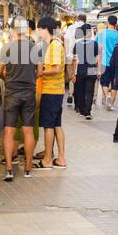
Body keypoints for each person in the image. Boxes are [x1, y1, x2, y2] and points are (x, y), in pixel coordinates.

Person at [0, 19, 38, 180]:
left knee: (9, 131)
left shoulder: (7, 48)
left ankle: (9, 169)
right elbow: (39, 71)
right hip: (29, 92)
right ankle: (27, 168)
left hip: (12, 92)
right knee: (28, 130)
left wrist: (9, 74)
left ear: (13, 31)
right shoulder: (35, 48)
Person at [35, 17, 66, 169]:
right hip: (56, 91)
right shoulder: (55, 44)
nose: (38, 32)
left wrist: (40, 73)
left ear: (44, 28)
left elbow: (56, 69)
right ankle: (60, 159)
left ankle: (47, 160)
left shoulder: (54, 45)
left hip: (51, 91)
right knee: (56, 125)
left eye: (39, 29)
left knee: (48, 126)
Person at [72, 23, 99, 119]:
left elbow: (75, 60)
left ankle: (82, 111)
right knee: (90, 91)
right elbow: (97, 59)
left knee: (81, 90)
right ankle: (88, 112)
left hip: (81, 69)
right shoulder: (94, 44)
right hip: (91, 69)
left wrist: (73, 73)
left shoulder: (77, 44)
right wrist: (98, 70)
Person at [98, 16, 118, 111]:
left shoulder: (102, 33)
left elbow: (99, 48)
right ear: (116, 23)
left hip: (104, 61)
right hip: (116, 62)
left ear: (108, 22)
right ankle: (111, 104)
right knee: (114, 83)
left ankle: (107, 95)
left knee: (104, 82)